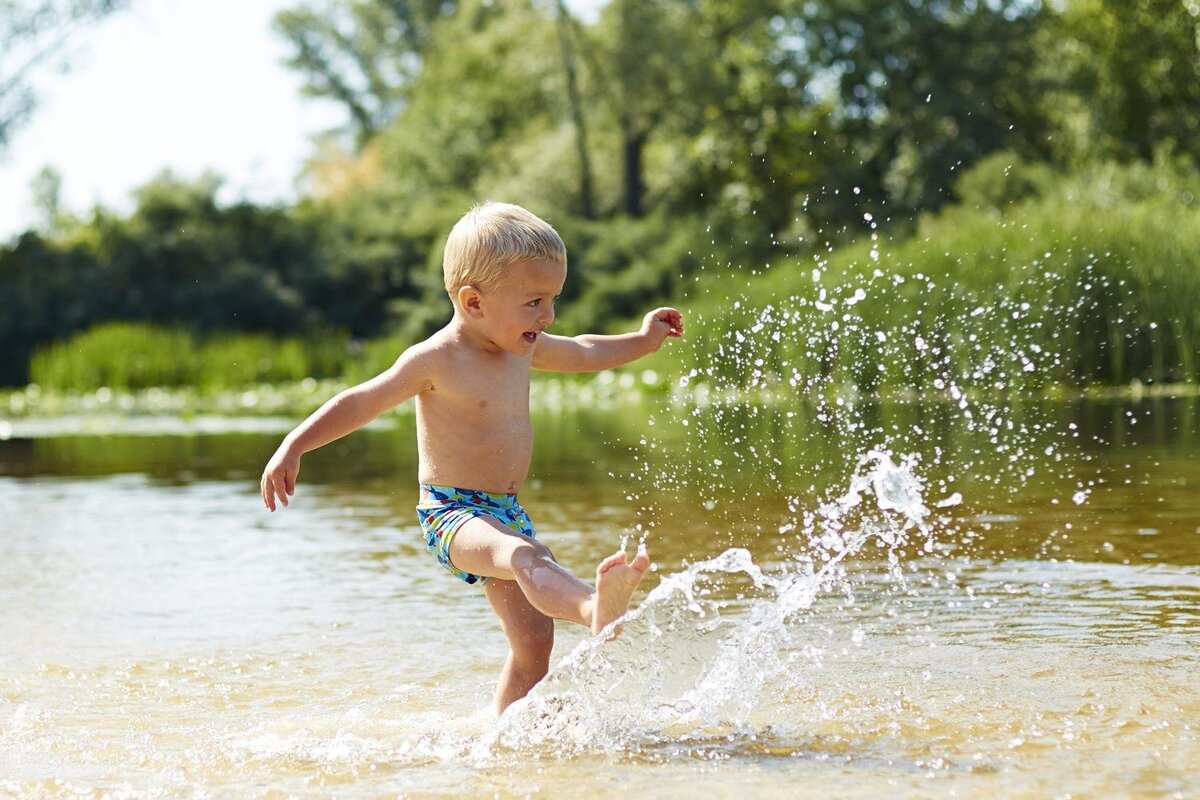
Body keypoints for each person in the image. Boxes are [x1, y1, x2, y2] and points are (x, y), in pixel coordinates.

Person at [260, 201, 684, 714]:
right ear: (474, 302)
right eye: (534, 302)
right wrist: (294, 445)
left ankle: (501, 744)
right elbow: (362, 400)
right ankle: (595, 607)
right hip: (452, 512)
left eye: (552, 299)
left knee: (533, 647)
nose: (547, 316)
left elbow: (586, 351)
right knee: (529, 557)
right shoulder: (436, 359)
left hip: (505, 512)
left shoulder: (522, 346)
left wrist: (642, 340)